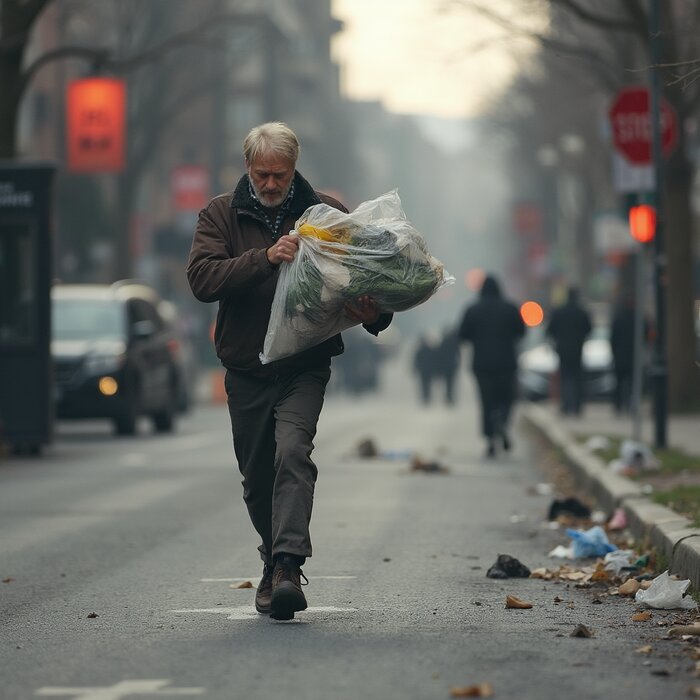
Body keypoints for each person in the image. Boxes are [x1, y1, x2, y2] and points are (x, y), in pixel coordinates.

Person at [186, 122, 392, 620]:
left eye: (280, 174)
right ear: (247, 168)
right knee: (257, 478)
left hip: (304, 363)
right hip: (245, 365)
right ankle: (271, 555)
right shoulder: (220, 213)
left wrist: (374, 314)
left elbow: (366, 280)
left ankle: (286, 566)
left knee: (293, 453)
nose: (272, 184)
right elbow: (201, 278)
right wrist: (264, 258)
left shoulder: (326, 213)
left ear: (294, 167)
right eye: (263, 174)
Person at [458, 275, 525, 457]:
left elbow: (463, 335)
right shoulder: (510, 308)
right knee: (507, 398)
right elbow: (521, 331)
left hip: (482, 365)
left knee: (487, 401)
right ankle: (502, 419)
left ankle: (490, 439)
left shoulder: (473, 310)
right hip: (506, 363)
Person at [546, 286, 592, 416]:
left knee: (565, 378)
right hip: (577, 349)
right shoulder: (581, 312)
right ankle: (577, 406)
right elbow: (588, 329)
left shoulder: (559, 312)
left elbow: (550, 330)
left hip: (563, 349)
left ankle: (566, 405)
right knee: (577, 377)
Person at [610, 293, 649, 414]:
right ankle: (631, 406)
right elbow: (646, 335)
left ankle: (619, 406)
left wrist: (614, 352)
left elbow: (613, 337)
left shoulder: (619, 317)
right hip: (634, 356)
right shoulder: (639, 319)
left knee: (619, 382)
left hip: (620, 356)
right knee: (634, 383)